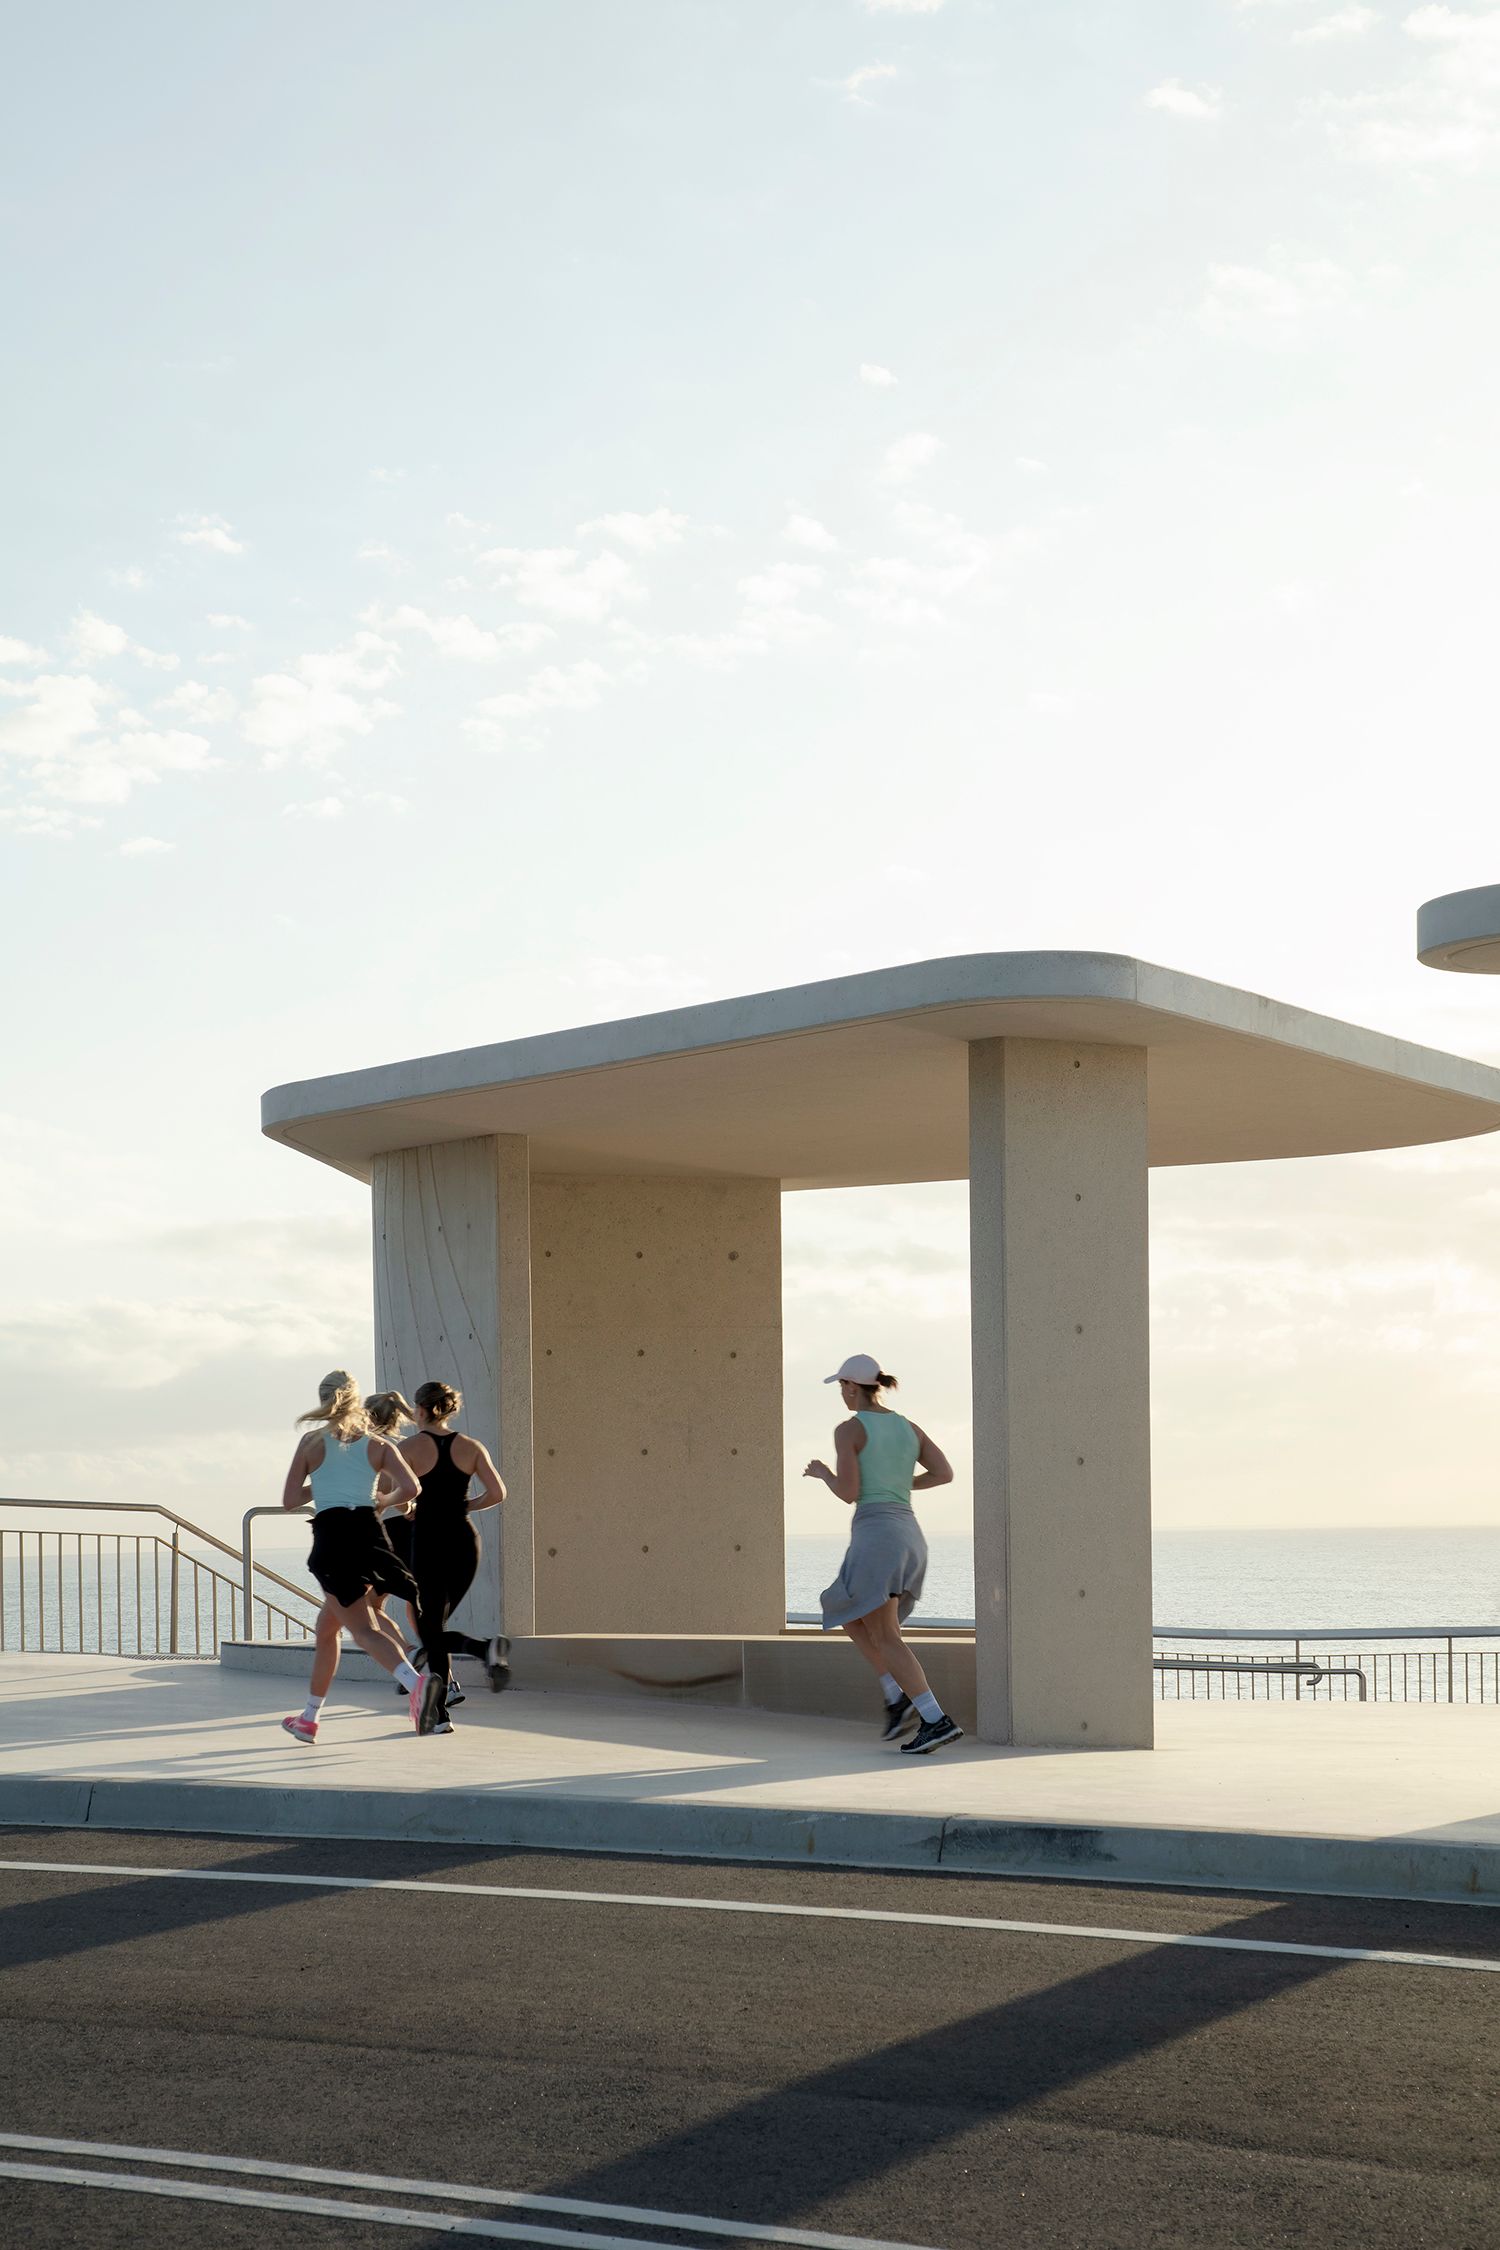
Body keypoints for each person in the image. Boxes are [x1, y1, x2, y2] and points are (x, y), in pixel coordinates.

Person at [804, 1353, 963, 1755]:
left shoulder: (849, 1429)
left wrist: (824, 1473)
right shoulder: (907, 1427)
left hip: (876, 1534)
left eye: (842, 1386)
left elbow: (849, 1493)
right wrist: (900, 1483)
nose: (841, 1393)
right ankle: (896, 1694)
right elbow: (944, 1473)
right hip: (909, 1534)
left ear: (852, 1387)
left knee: (887, 1635)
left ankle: (933, 1718)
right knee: (843, 1607)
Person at [277, 1370, 429, 1743]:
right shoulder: (377, 1444)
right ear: (356, 1400)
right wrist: (386, 1500)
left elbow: (290, 1500)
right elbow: (411, 1487)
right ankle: (309, 1718)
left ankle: (419, 1686)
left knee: (363, 1630)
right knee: (328, 1628)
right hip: (369, 1536)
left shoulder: (313, 1443)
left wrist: (323, 1481)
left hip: (334, 1538)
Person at [400, 1379, 510, 1733]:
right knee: (434, 1627)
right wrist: (465, 1504)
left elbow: (394, 1493)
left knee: (430, 1627)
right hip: (464, 1541)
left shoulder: (409, 1447)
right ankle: (444, 1707)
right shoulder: (471, 1447)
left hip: (429, 1541)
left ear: (420, 1410)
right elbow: (498, 1493)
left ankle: (479, 1655)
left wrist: (408, 1507)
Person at [365, 1390, 420, 1663]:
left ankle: (409, 1652)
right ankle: (439, 1672)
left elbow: (387, 1489)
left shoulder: (372, 1446)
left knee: (369, 1606)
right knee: (416, 1603)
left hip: (386, 1532)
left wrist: (399, 1506)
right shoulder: (410, 1444)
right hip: (416, 1530)